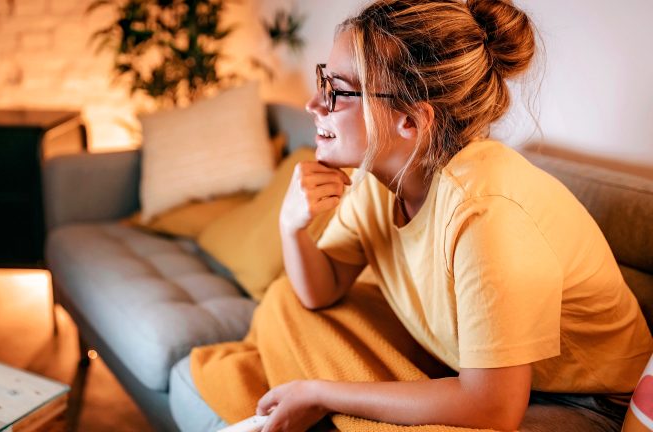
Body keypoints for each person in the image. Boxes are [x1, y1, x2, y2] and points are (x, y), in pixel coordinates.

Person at [256, 0, 653, 431]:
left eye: (338, 89)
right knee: (283, 302)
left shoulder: (488, 213)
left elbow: (493, 411)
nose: (314, 103)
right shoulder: (378, 179)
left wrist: (320, 391)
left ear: (411, 119)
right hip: (475, 374)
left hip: (587, 404)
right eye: (323, 78)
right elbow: (320, 291)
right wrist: (291, 226)